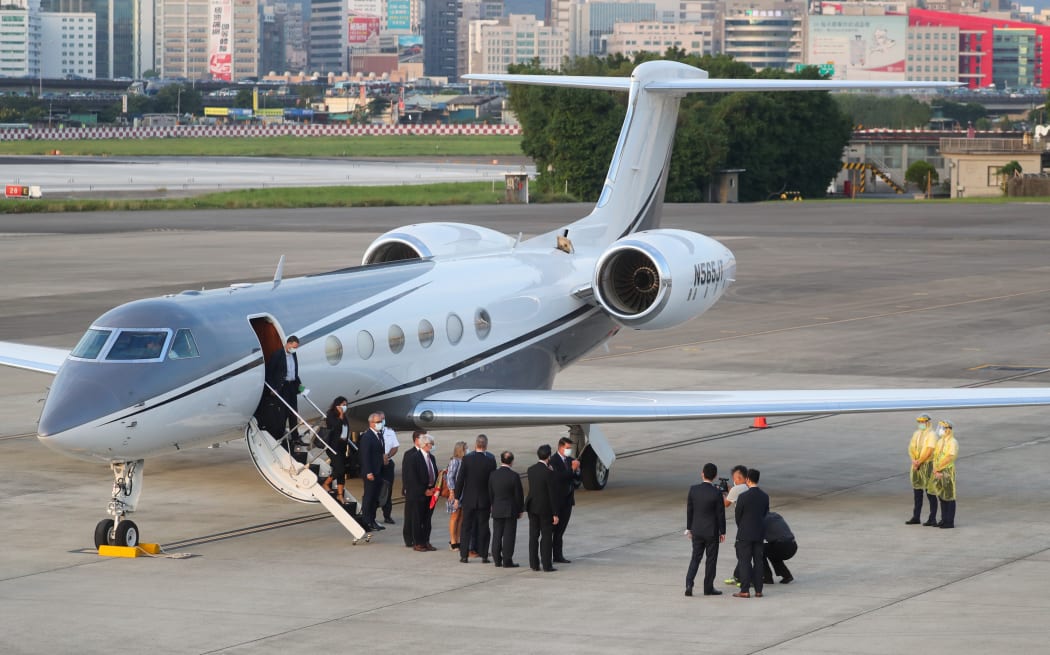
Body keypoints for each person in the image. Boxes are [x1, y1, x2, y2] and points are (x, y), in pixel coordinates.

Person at [684, 462, 726, 597]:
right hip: (711, 532)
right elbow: (720, 513)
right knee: (711, 560)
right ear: (715, 476)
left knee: (695, 558)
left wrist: (689, 528)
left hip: (696, 530)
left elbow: (689, 511)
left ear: (702, 473)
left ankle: (689, 584)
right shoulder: (716, 493)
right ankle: (708, 588)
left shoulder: (693, 489)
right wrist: (722, 531)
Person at [454, 434, 497, 563]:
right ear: (486, 445)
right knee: (484, 527)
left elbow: (460, 479)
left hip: (469, 499)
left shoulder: (467, 459)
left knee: (466, 527)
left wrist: (457, 497)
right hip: (484, 500)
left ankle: (464, 555)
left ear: (475, 445)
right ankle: (484, 555)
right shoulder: (490, 460)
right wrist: (493, 500)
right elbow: (493, 481)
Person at [263, 335, 303, 460]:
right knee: (282, 412)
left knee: (293, 411)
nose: (295, 349)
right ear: (288, 344)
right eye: (294, 347)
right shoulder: (278, 355)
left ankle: (295, 436)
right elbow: (270, 372)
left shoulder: (293, 355)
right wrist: (272, 388)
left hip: (292, 386)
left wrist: (300, 384)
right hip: (282, 387)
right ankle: (280, 435)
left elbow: (293, 372)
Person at [733, 468, 769, 599]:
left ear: (747, 479)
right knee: (758, 562)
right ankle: (759, 590)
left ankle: (745, 590)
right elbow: (765, 514)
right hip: (759, 533)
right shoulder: (765, 496)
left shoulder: (743, 497)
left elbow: (738, 515)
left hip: (745, 534)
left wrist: (742, 527)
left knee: (745, 562)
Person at [526, 444, 561, 572]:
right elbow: (552, 493)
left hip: (532, 506)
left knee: (533, 536)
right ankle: (546, 564)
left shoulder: (531, 469)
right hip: (545, 509)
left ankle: (534, 564)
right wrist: (555, 513)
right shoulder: (549, 473)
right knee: (546, 537)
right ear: (548, 457)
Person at [489, 450, 524, 568]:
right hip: (510, 510)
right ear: (512, 462)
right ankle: (507, 560)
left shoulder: (493, 474)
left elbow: (490, 492)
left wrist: (492, 504)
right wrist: (520, 509)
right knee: (509, 535)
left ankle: (496, 559)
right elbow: (518, 495)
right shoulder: (514, 476)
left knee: (497, 535)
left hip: (497, 508)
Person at [550, 436, 581, 564]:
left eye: (570, 448)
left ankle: (558, 555)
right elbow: (559, 478)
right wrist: (572, 469)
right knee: (552, 530)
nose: (569, 451)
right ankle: (548, 555)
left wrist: (577, 470)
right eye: (567, 448)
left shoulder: (570, 460)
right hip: (557, 501)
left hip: (568, 501)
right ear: (560, 447)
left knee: (561, 531)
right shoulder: (553, 461)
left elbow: (577, 480)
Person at [906, 414, 938, 526]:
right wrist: (914, 460)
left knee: (930, 492)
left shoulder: (932, 435)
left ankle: (932, 518)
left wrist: (919, 461)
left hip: (927, 464)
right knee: (917, 491)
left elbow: (929, 450)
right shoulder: (917, 434)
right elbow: (911, 447)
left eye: (923, 421)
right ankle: (916, 516)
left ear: (928, 422)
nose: (921, 424)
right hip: (916, 465)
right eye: (919, 421)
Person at [357, 412, 387, 532]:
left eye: (381, 421)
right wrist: (368, 472)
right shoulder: (367, 436)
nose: (380, 424)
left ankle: (372, 520)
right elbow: (365, 456)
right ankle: (366, 521)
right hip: (371, 472)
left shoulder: (379, 435)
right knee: (369, 497)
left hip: (378, 470)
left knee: (375, 497)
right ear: (371, 423)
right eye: (378, 422)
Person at [928, 420, 959, 529]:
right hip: (938, 470)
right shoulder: (941, 441)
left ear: (949, 429)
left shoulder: (952, 442)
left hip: (946, 471)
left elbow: (950, 457)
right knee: (941, 495)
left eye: (943, 428)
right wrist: (935, 469)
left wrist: (939, 468)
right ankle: (944, 519)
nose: (941, 430)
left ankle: (949, 522)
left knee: (949, 496)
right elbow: (935, 456)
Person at [723, 465, 749, 586]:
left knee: (741, 551)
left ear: (739, 477)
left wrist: (721, 493)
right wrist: (730, 491)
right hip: (752, 524)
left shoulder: (736, 489)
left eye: (734, 478)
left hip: (743, 525)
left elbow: (726, 504)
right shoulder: (749, 486)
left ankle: (744, 578)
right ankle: (738, 576)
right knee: (746, 550)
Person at [320, 396, 349, 503]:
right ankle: (326, 483)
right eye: (343, 405)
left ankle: (340, 495)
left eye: (346, 405)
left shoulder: (345, 417)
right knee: (340, 469)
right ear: (337, 405)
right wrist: (341, 415)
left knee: (342, 472)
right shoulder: (331, 415)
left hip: (342, 447)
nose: (345, 407)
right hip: (333, 447)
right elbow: (336, 426)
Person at [401, 431, 424, 547]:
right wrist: (405, 487)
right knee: (410, 515)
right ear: (416, 440)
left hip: (422, 491)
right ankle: (409, 539)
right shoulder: (409, 454)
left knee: (419, 516)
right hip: (412, 490)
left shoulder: (426, 453)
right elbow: (406, 473)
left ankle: (418, 538)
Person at [377, 411, 400, 525]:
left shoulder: (390, 432)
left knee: (388, 490)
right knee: (374, 490)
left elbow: (395, 447)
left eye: (383, 419)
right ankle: (371, 516)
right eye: (380, 419)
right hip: (376, 465)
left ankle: (387, 515)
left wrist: (388, 456)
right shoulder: (369, 434)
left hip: (388, 464)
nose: (382, 421)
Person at [762, 511, 796, 585]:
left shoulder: (760, 519)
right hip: (793, 546)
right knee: (772, 552)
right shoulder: (775, 515)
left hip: (781, 546)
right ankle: (787, 576)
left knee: (758, 551)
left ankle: (767, 577)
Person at [446, 440, 467, 551]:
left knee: (461, 517)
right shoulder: (455, 461)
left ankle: (458, 539)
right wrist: (452, 492)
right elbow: (450, 477)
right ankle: (453, 541)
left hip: (464, 492)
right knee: (455, 516)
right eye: (465, 448)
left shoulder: (465, 461)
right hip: (455, 492)